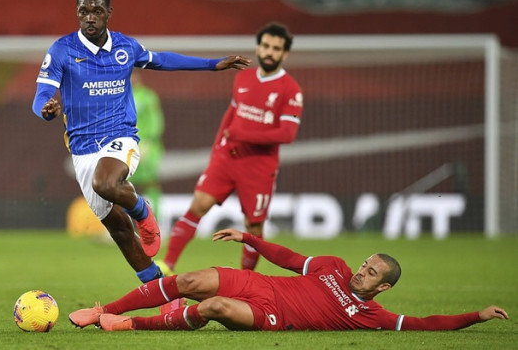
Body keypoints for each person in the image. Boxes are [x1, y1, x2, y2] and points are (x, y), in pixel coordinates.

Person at [32, 0, 250, 285]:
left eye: (97, 11)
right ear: (77, 13)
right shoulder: (62, 50)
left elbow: (162, 60)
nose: (90, 17)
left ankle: (141, 209)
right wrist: (45, 108)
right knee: (119, 231)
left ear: (109, 13)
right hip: (82, 148)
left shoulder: (126, 48)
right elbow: (42, 92)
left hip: (120, 136)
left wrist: (213, 65)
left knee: (105, 183)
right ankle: (158, 285)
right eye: (84, 11)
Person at [68, 228, 509, 331]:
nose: (362, 270)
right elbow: (289, 257)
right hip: (262, 285)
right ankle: (104, 309)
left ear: (383, 287)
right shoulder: (333, 264)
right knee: (187, 279)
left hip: (270, 314)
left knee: (214, 308)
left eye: (372, 271)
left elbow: (426, 324)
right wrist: (250, 238)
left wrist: (478, 315)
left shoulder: (369, 314)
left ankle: (132, 324)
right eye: (365, 263)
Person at [160, 22, 303, 273]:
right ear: (259, 47)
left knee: (254, 227)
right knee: (197, 206)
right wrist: (217, 149)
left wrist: (241, 133)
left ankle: (246, 279)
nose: (269, 52)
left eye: (276, 48)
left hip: (259, 166)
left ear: (284, 53)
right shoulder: (243, 77)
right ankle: (167, 264)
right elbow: (231, 115)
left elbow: (287, 134)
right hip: (227, 158)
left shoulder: (291, 89)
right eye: (266, 46)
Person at [129, 72, 165, 220]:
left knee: (151, 183)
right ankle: (123, 226)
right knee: (120, 185)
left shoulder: (148, 96)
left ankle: (156, 222)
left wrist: (147, 143)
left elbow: (156, 121)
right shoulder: (119, 96)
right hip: (127, 147)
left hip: (146, 147)